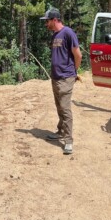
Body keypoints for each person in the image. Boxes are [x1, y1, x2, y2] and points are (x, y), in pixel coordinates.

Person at [40, 8, 82, 155]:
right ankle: (60, 131)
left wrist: (73, 73)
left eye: (47, 21)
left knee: (65, 108)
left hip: (65, 77)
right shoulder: (55, 36)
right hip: (56, 77)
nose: (46, 24)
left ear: (55, 20)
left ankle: (69, 140)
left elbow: (78, 55)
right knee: (59, 106)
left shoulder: (68, 33)